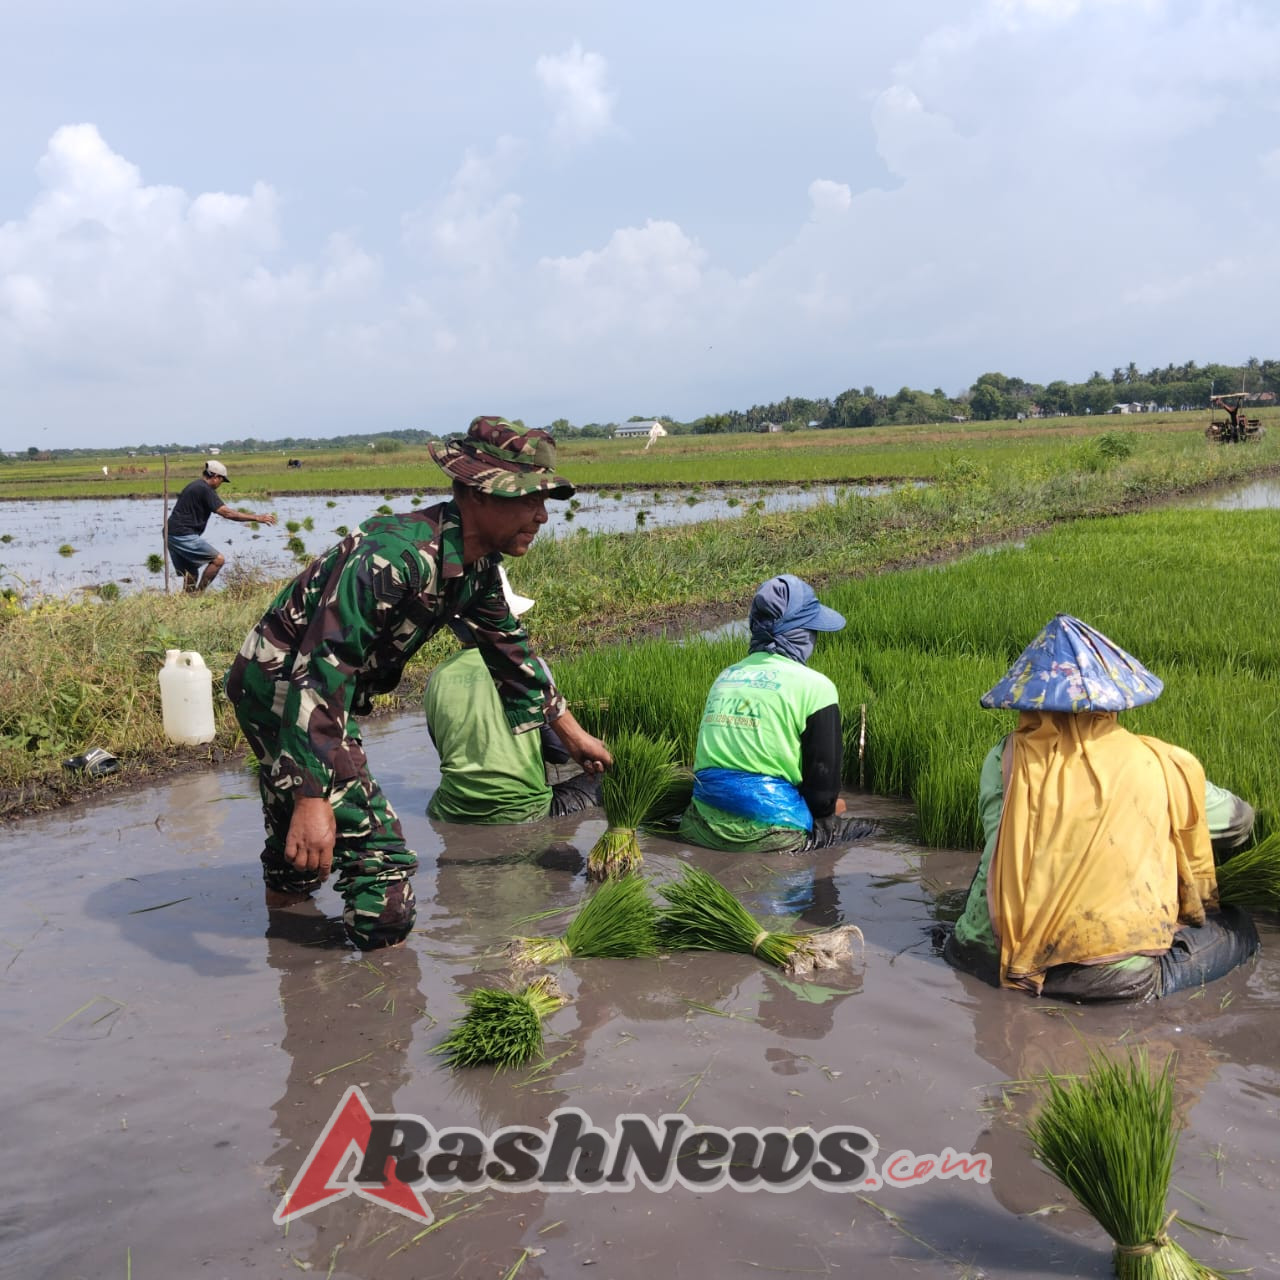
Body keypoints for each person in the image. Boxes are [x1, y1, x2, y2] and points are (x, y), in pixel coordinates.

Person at [225, 416, 612, 951]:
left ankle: (291, 961)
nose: (541, 516)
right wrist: (314, 795)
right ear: (475, 494)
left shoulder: (474, 569)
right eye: (527, 500)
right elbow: (315, 677)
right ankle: (367, 1011)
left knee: (304, 849)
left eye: (544, 501)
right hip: (283, 693)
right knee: (381, 878)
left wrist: (572, 735)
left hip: (309, 695)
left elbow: (510, 653)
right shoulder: (393, 559)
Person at [945, 614, 1259, 1001]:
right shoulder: (1159, 764)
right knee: (1239, 927)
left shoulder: (1004, 759)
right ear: (1111, 702)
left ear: (1031, 703)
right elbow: (1238, 823)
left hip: (980, 954)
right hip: (1103, 979)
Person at [677, 574, 876, 853]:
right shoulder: (816, 688)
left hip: (699, 827)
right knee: (870, 832)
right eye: (812, 631)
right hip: (773, 835)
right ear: (800, 633)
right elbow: (822, 798)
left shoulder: (726, 676)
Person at [424, 565, 602, 823]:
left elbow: (446, 749)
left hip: (449, 812)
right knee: (606, 782)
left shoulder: (436, 677)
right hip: (522, 812)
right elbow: (559, 752)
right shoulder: (529, 668)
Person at [166, 459, 278, 592]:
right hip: (182, 534)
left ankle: (187, 600)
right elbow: (227, 513)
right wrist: (257, 517)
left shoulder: (195, 485)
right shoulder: (204, 489)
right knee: (218, 560)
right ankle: (198, 594)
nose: (220, 484)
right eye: (221, 480)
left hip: (170, 533)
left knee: (191, 573)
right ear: (215, 476)